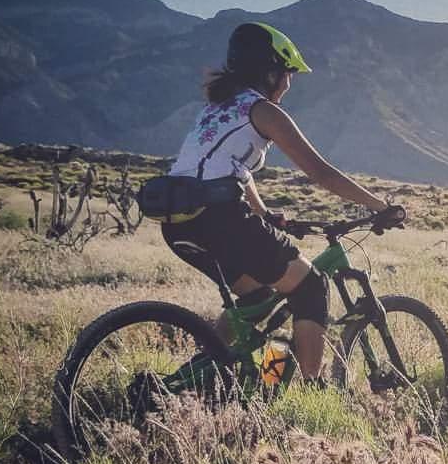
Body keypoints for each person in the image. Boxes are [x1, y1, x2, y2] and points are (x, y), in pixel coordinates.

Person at [161, 21, 402, 379]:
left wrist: (265, 214)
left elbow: (233, 172)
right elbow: (321, 173)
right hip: (220, 220)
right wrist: (380, 207)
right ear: (269, 71)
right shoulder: (264, 111)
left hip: (179, 221)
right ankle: (310, 390)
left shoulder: (217, 108)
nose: (289, 84)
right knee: (311, 287)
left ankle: (202, 376)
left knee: (257, 301)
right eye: (288, 73)